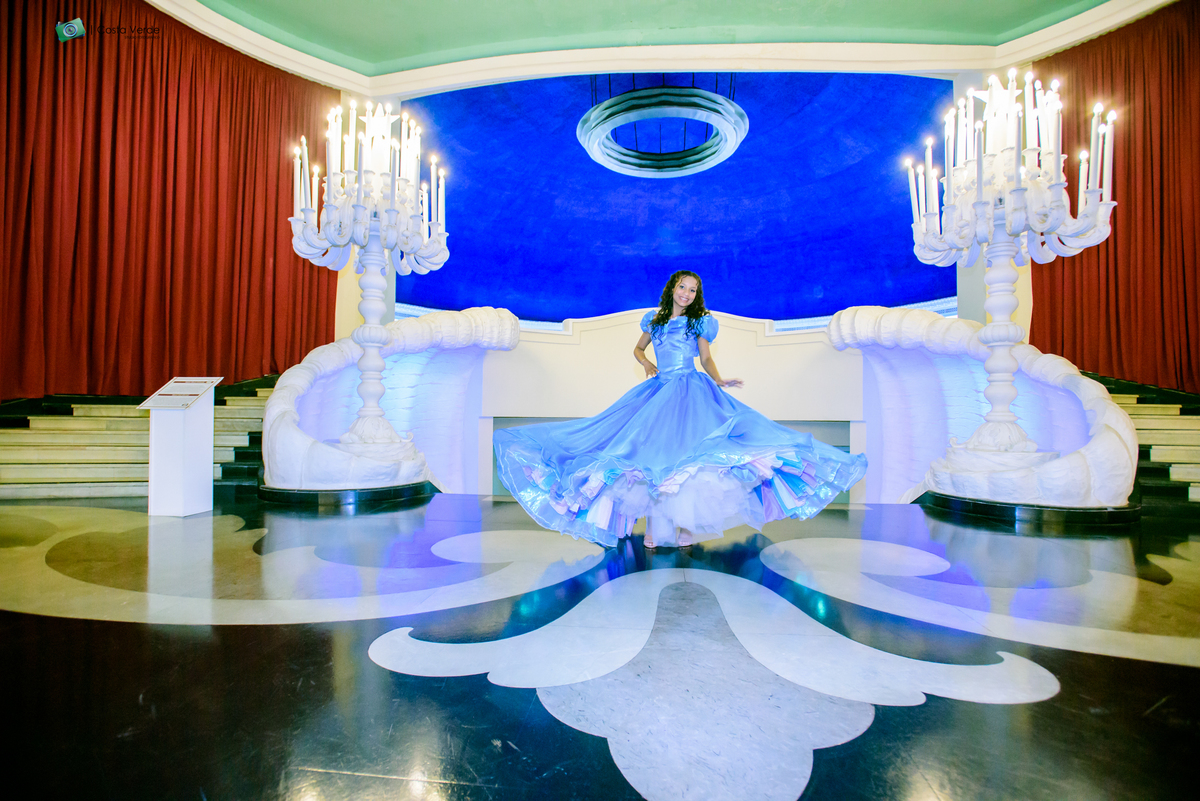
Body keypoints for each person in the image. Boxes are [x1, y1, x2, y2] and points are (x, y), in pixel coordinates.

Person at [493, 270, 867, 549]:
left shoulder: (699, 323)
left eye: (693, 290)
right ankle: (654, 527)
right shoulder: (654, 321)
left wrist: (719, 380)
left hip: (691, 391)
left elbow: (705, 358)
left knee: (691, 458)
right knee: (652, 458)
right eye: (683, 287)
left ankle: (686, 526)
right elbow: (637, 348)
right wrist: (646, 364)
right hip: (659, 392)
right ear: (673, 287)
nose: (688, 294)